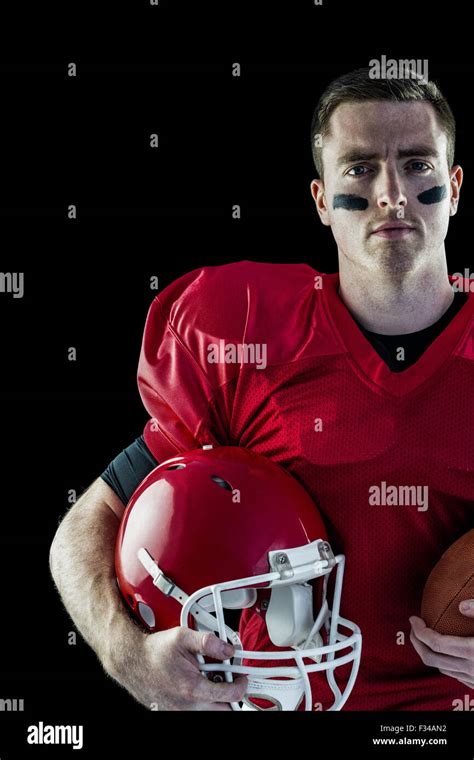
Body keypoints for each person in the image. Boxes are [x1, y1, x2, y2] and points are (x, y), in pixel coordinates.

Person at [50, 67, 474, 710]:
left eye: (417, 164)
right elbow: (90, 521)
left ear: (454, 187)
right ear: (321, 199)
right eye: (360, 168)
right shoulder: (247, 335)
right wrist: (127, 654)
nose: (393, 192)